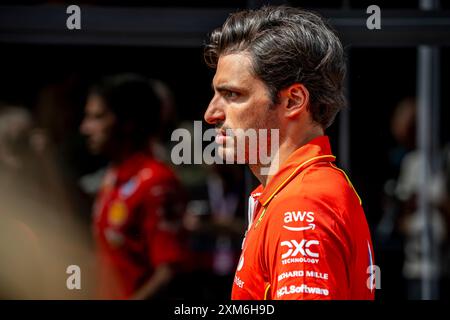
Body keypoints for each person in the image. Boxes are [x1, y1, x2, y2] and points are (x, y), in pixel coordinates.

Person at [203, 6, 375, 300]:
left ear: (293, 100)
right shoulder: (294, 192)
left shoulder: (302, 204)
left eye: (233, 95)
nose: (211, 113)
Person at [80, 74, 187, 299]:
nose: (86, 128)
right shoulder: (112, 177)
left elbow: (170, 271)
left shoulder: (156, 182)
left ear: (127, 122)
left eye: (97, 117)